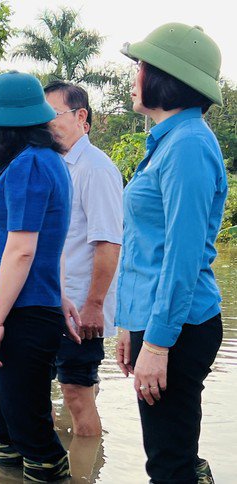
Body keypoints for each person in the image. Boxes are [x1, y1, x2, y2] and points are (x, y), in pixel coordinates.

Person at [115, 23, 227, 484]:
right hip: (157, 320)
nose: (134, 76)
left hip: (178, 328)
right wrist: (129, 325)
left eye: (140, 67)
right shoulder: (167, 143)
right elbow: (144, 249)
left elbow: (180, 259)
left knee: (169, 463)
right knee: (169, 452)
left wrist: (157, 342)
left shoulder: (187, 146)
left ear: (164, 77)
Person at [0, 71, 81, 482]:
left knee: (29, 430)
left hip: (20, 311)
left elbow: (22, 250)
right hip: (26, 304)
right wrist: (60, 295)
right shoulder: (39, 160)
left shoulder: (31, 164)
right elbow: (51, 239)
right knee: (4, 421)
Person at [44, 81, 123, 436]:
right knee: (39, 389)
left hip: (79, 306)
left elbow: (108, 243)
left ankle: (84, 474)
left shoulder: (96, 168)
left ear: (81, 117)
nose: (46, 123)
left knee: (77, 393)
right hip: (48, 301)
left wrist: (94, 304)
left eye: (53, 114)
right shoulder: (57, 165)